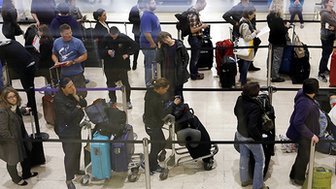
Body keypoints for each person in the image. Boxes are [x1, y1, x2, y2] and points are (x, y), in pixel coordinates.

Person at [0, 87, 38, 186]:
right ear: (5, 99)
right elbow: (3, 130)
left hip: (20, 135)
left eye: (14, 96)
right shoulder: (3, 112)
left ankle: (27, 173)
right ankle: (15, 178)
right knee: (12, 160)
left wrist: (22, 110)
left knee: (25, 153)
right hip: (10, 141)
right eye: (10, 97)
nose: (13, 99)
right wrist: (12, 139)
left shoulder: (14, 106)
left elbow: (15, 116)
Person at [234, 82, 269, 189]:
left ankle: (244, 180)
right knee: (260, 160)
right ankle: (257, 186)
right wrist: (259, 138)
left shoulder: (240, 99)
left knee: (244, 156)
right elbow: (252, 126)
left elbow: (235, 112)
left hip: (240, 133)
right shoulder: (255, 106)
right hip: (251, 137)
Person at [143, 78, 181, 174]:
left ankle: (149, 160)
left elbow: (161, 103)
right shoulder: (155, 100)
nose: (166, 91)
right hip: (153, 125)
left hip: (151, 124)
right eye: (165, 89)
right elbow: (162, 114)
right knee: (157, 146)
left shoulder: (151, 93)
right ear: (160, 88)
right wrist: (173, 104)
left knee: (161, 143)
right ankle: (152, 166)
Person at [54, 77, 87, 189]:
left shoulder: (73, 94)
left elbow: (84, 103)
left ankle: (76, 169)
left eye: (73, 85)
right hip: (66, 131)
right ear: (63, 89)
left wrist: (76, 96)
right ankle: (69, 179)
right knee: (70, 154)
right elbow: (68, 116)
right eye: (70, 87)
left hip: (76, 127)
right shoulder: (59, 100)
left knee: (77, 149)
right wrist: (78, 107)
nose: (73, 88)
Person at [286, 78, 320, 186]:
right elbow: (298, 122)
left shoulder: (301, 93)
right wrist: (311, 135)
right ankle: (299, 179)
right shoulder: (306, 104)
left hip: (306, 132)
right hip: (305, 135)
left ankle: (293, 174)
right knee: (304, 157)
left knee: (302, 155)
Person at [0, 39, 40, 131]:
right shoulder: (10, 42)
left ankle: (31, 109)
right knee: (30, 88)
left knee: (28, 88)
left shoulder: (1, 49)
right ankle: (31, 106)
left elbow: (2, 65)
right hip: (31, 63)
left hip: (25, 68)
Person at [100, 26, 139, 109]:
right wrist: (107, 52)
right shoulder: (105, 38)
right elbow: (99, 51)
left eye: (115, 35)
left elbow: (135, 46)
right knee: (110, 83)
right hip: (109, 65)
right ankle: (112, 100)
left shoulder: (124, 37)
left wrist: (128, 53)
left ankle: (128, 100)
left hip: (121, 64)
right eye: (112, 35)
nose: (114, 37)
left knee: (125, 83)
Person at [222, 0, 261, 71]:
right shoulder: (236, 8)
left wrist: (254, 28)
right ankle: (241, 68)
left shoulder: (251, 6)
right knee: (240, 50)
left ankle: (250, 64)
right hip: (238, 33)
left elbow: (254, 18)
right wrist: (235, 23)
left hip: (249, 31)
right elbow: (225, 16)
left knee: (256, 42)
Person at [52, 24, 88, 98]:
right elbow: (54, 54)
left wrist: (73, 61)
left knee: (81, 94)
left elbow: (85, 56)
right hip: (64, 74)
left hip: (77, 74)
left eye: (70, 32)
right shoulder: (57, 42)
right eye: (67, 33)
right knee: (66, 95)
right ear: (61, 34)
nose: (69, 35)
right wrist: (56, 62)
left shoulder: (78, 42)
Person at [156, 31, 190, 100]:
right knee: (169, 92)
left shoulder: (179, 45)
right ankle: (171, 107)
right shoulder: (163, 47)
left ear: (169, 36)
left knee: (178, 92)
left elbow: (186, 57)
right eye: (164, 40)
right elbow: (158, 59)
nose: (166, 41)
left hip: (178, 73)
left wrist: (182, 68)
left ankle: (180, 107)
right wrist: (159, 48)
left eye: (167, 38)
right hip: (167, 73)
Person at [267, 0, 290, 82]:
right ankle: (275, 76)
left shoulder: (269, 17)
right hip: (279, 41)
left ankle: (269, 72)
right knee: (277, 59)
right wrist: (286, 27)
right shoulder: (279, 19)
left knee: (270, 57)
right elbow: (281, 31)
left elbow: (274, 28)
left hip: (272, 39)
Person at [140, 0, 161, 87]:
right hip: (149, 45)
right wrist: (152, 43)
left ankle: (153, 79)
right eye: (153, 3)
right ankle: (149, 83)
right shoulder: (147, 17)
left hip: (153, 44)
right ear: (147, 5)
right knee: (150, 65)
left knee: (153, 63)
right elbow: (147, 33)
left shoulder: (151, 15)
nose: (155, 4)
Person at [236, 6, 259, 86]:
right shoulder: (245, 24)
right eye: (253, 14)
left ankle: (243, 80)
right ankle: (243, 82)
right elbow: (246, 38)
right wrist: (254, 33)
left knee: (244, 65)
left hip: (245, 47)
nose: (254, 16)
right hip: (247, 47)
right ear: (249, 14)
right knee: (245, 66)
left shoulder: (242, 20)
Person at [186, 0, 207, 80]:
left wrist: (201, 24)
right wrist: (202, 27)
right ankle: (193, 75)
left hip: (195, 38)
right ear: (200, 4)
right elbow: (192, 30)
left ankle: (195, 72)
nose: (203, 8)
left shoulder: (193, 12)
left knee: (196, 57)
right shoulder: (193, 14)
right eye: (203, 6)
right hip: (194, 39)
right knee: (194, 58)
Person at [318, 0, 336, 83]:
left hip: (331, 36)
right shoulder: (325, 14)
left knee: (328, 53)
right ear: (326, 3)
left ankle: (324, 68)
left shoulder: (332, 12)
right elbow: (334, 22)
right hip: (326, 37)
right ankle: (321, 72)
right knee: (325, 54)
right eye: (331, 1)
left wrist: (334, 27)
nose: (333, 2)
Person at [128, 0, 143, 70]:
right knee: (137, 47)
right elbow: (130, 19)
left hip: (146, 31)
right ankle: (135, 62)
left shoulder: (147, 8)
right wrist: (140, 20)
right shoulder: (134, 9)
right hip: (137, 31)